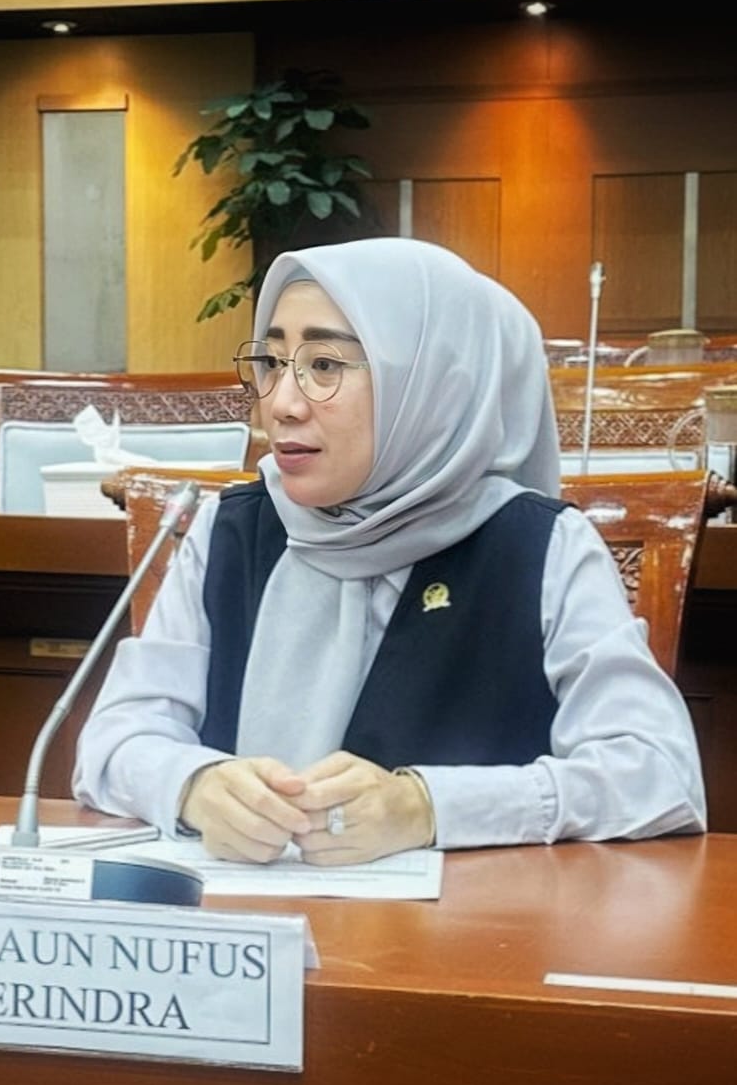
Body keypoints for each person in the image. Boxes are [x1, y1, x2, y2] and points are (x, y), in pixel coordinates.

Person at [72, 238, 707, 865]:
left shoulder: (540, 549)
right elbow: (114, 742)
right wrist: (194, 786)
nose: (282, 404)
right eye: (271, 361)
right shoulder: (229, 529)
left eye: (325, 365)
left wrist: (427, 807)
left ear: (431, 383)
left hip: (469, 925)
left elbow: (659, 774)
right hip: (242, 920)